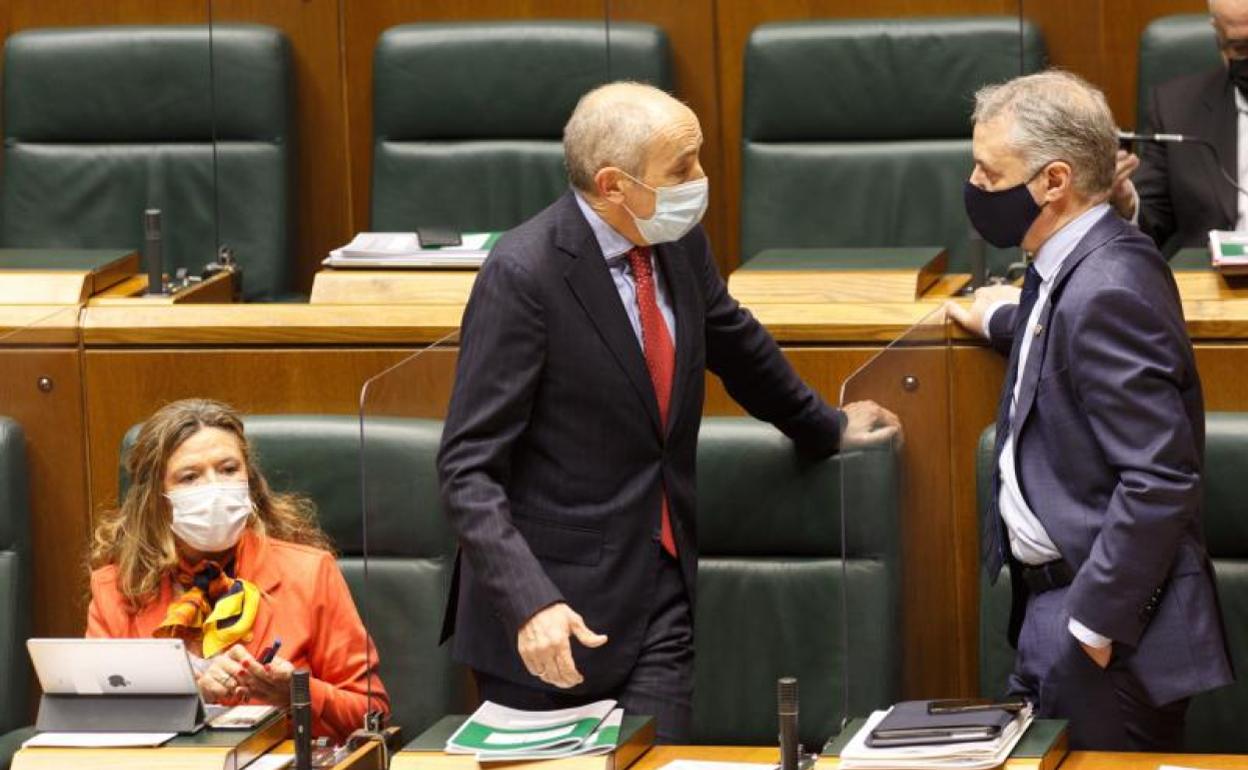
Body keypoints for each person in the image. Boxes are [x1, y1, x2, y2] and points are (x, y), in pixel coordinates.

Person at [436, 80, 900, 742]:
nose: (702, 179)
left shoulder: (676, 241)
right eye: (682, 168)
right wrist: (530, 603)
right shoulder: (524, 274)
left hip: (659, 589)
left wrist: (824, 424)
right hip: (549, 616)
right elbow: (467, 469)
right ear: (613, 185)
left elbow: (734, 342)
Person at [948, 70, 1233, 751]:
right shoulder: (1073, 265)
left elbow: (1161, 478)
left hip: (1106, 629)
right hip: (1058, 608)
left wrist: (1092, 626)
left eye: (990, 172)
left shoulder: (1109, 287)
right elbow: (1061, 335)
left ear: (1053, 181)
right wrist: (1001, 321)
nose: (976, 187)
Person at [87, 398, 388, 743]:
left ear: (250, 478)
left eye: (229, 470)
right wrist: (194, 696)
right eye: (190, 477)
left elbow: (372, 713)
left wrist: (298, 695)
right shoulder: (116, 588)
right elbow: (97, 719)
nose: (214, 488)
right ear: (156, 499)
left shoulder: (309, 573)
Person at [1112, 0, 1248, 255]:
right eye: (1240, 47)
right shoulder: (1175, 109)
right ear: (1218, 35)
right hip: (1207, 283)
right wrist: (1126, 202)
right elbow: (1151, 220)